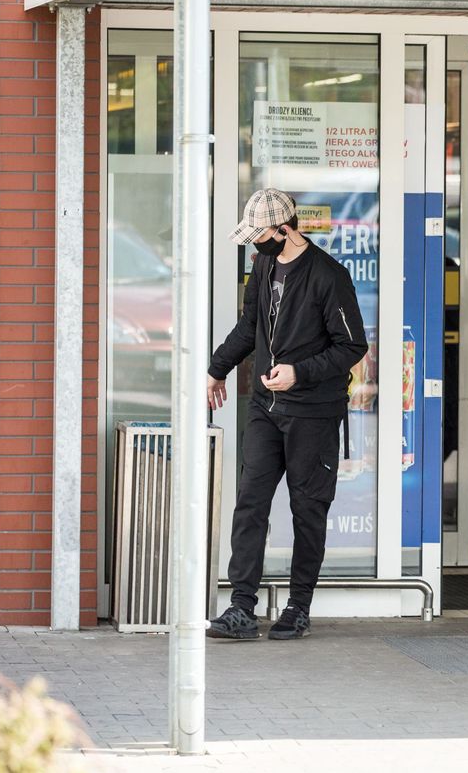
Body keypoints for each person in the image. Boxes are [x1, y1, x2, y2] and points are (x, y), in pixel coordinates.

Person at [205, 188, 367, 640]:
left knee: (307, 508)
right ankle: (241, 608)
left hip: (313, 412)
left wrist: (300, 373)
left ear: (284, 229)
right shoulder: (262, 265)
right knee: (250, 501)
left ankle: (298, 607)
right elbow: (249, 326)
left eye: (262, 236)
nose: (257, 245)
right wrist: (216, 370)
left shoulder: (328, 276)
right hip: (265, 407)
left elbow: (353, 346)